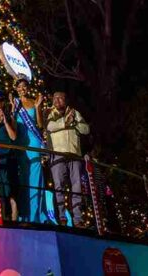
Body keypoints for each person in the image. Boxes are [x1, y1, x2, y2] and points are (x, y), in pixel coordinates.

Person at [47, 90, 90, 225]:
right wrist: (66, 122)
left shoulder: (75, 113)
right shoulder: (49, 112)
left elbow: (86, 129)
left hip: (74, 154)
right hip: (58, 154)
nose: (57, 100)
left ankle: (78, 219)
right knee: (59, 187)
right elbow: (50, 127)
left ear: (66, 100)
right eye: (55, 98)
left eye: (60, 98)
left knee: (76, 187)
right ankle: (61, 218)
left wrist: (75, 123)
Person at [11, 77, 45, 223]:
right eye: (19, 87)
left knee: (35, 179)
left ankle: (36, 216)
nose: (22, 89)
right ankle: (24, 214)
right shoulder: (15, 104)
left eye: (24, 86)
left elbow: (40, 124)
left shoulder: (33, 102)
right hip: (21, 143)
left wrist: (37, 107)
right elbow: (12, 127)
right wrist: (12, 110)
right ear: (16, 89)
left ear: (27, 88)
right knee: (24, 178)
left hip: (34, 143)